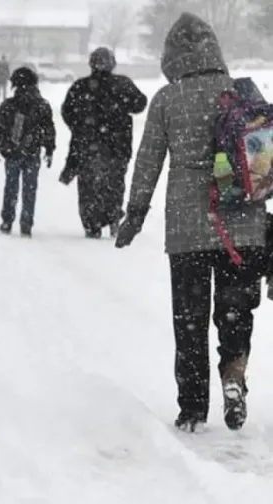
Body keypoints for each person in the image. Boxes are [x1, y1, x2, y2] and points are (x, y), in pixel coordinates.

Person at [114, 13, 267, 433]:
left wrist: (134, 215)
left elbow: (148, 163)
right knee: (235, 311)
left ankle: (193, 408)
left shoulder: (167, 99)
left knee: (190, 320)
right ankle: (234, 376)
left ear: (172, 56)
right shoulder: (240, 94)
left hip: (188, 230)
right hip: (244, 226)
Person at [60, 47, 148, 239]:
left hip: (87, 146)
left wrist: (80, 126)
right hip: (118, 146)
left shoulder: (80, 87)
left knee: (88, 187)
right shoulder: (122, 84)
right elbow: (140, 104)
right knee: (114, 184)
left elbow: (67, 111)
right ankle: (113, 215)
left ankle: (92, 223)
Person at [0, 67, 56, 237]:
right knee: (30, 189)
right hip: (32, 153)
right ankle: (26, 223)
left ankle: (7, 220)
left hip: (12, 152)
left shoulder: (9, 105)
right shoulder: (42, 105)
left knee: (11, 187)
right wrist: (49, 149)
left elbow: (0, 129)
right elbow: (49, 129)